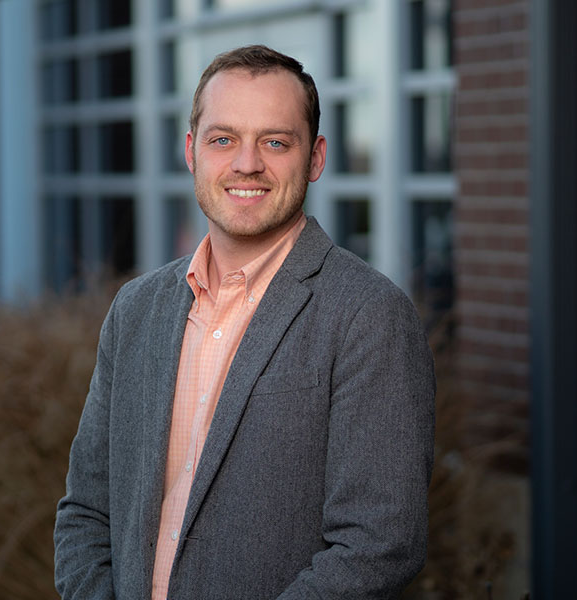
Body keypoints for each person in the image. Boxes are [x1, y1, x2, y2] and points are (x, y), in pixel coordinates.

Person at [54, 44, 435, 600]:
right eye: (223, 139)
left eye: (275, 142)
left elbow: (380, 543)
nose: (247, 163)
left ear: (316, 158)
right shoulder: (135, 311)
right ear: (192, 152)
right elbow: (87, 511)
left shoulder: (370, 317)